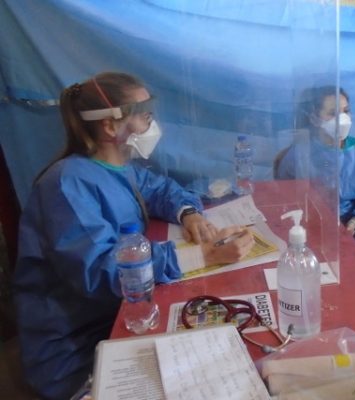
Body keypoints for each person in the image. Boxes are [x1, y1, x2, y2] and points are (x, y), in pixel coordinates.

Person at [12, 72, 254, 399]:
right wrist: (204, 254)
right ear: (110, 126)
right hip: (75, 351)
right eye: (143, 115)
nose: (150, 125)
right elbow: (103, 271)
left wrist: (189, 213)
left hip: (123, 317)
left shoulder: (118, 167)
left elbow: (161, 190)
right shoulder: (66, 184)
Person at [275, 86, 355, 277]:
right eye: (332, 113)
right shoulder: (299, 153)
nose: (342, 119)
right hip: (311, 225)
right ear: (314, 118)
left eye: (345, 111)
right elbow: (284, 197)